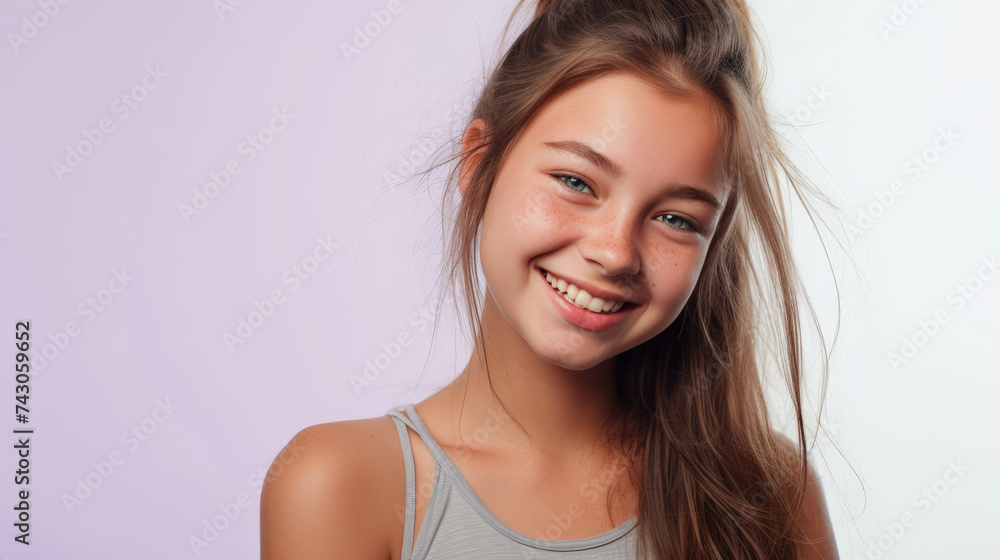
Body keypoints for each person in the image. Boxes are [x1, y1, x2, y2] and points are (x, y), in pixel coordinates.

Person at [261, 0, 842, 558]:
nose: (615, 253)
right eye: (577, 182)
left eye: (674, 218)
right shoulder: (340, 485)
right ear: (479, 164)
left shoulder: (771, 495)